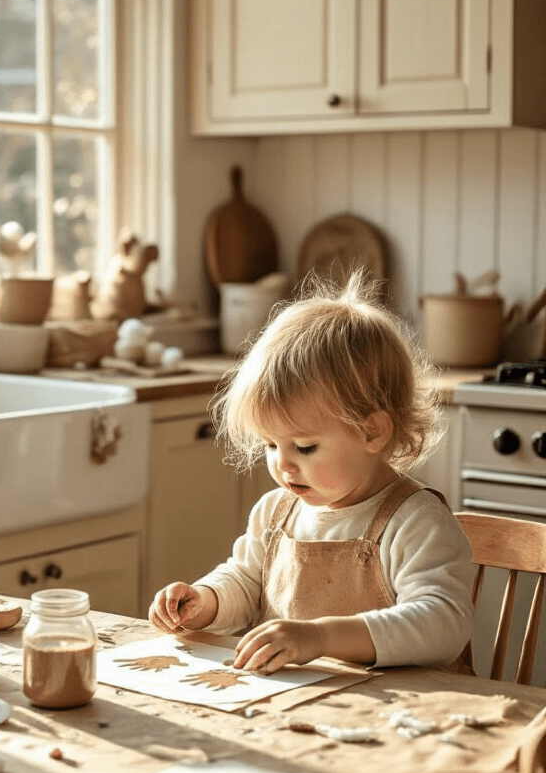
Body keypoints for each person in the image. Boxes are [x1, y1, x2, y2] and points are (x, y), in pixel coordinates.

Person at [149, 272, 474, 674]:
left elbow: (443, 624)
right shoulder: (276, 513)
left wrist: (319, 638)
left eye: (304, 447)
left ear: (372, 431)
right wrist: (206, 601)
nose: (282, 465)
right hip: (306, 708)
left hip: (407, 716)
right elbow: (247, 582)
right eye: (270, 444)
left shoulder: (415, 522)